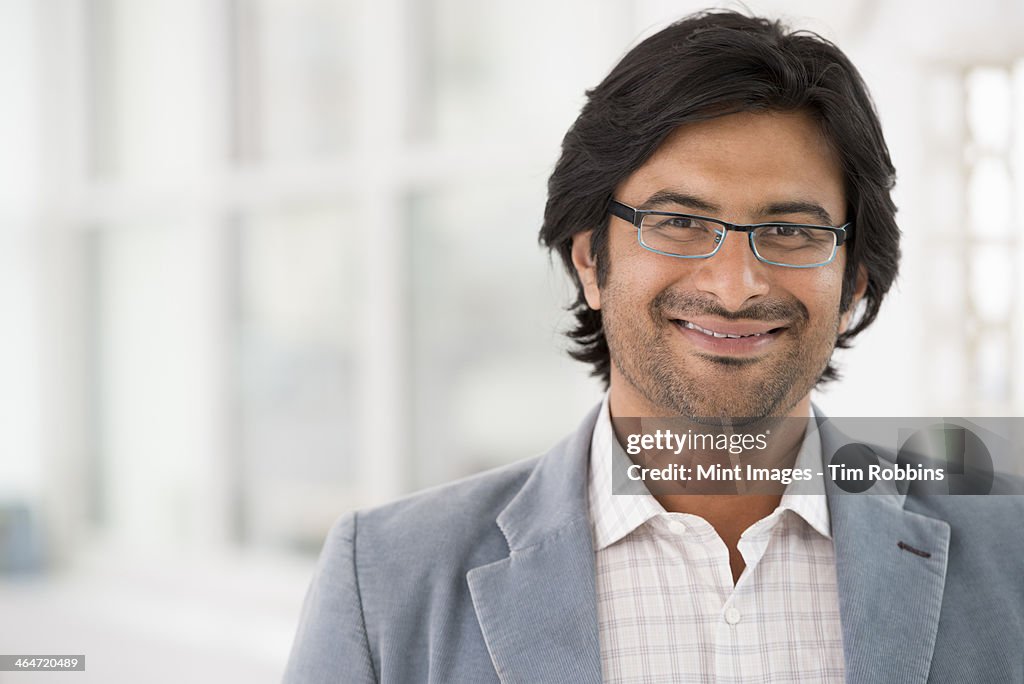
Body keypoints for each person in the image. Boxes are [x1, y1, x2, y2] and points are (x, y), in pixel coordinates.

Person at [283, 10, 1024, 683]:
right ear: (588, 260)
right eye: (678, 222)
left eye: (792, 231)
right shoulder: (385, 580)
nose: (736, 287)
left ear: (855, 279)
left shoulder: (1008, 551)